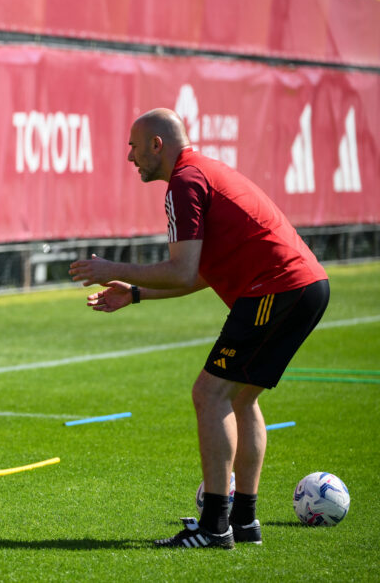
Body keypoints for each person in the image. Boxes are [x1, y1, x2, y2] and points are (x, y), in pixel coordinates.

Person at [69, 108, 329, 549]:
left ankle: (214, 526)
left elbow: (182, 269)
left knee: (209, 393)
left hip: (278, 287)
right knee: (241, 397)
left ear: (158, 145)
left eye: (134, 145)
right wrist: (133, 293)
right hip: (304, 286)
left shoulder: (185, 182)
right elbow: (200, 274)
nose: (129, 156)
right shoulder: (203, 173)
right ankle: (243, 521)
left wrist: (106, 267)